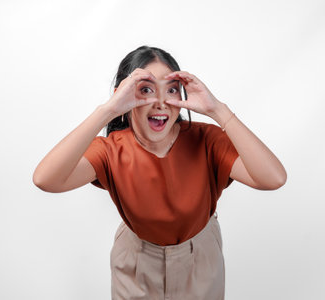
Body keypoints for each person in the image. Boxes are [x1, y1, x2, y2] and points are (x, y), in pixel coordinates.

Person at [32, 45, 287, 300]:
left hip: (200, 259)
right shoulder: (110, 151)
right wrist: (108, 110)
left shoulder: (206, 140)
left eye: (172, 90)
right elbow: (45, 179)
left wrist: (217, 110)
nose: (161, 102)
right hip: (136, 260)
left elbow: (273, 178)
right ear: (123, 95)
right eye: (145, 90)